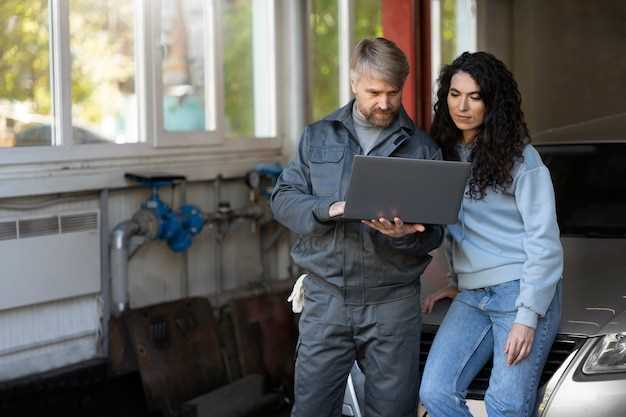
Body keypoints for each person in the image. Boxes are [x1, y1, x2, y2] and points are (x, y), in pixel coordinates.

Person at [271, 37, 444, 417]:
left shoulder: (423, 150)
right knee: (311, 409)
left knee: (393, 412)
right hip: (327, 297)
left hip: (393, 303)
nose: (384, 103)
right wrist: (327, 207)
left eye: (393, 92)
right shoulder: (317, 137)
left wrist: (404, 237)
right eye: (374, 92)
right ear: (353, 83)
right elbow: (282, 199)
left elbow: (435, 233)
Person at [419, 51, 563, 417]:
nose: (462, 106)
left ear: (493, 102)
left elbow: (544, 243)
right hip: (473, 294)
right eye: (454, 94)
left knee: (505, 407)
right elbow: (455, 227)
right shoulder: (445, 154)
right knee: (435, 391)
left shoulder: (522, 160)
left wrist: (527, 317)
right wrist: (456, 280)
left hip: (519, 291)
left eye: (475, 96)